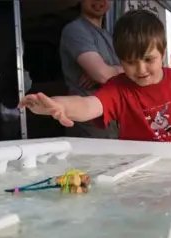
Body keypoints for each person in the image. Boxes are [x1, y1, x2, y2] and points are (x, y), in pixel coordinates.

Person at [19, 10, 171, 154]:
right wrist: (58, 105)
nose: (141, 69)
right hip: (135, 168)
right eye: (130, 62)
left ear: (162, 53)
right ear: (119, 60)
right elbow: (88, 105)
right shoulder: (119, 88)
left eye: (148, 59)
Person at [59, 0, 123, 139]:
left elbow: (133, 72)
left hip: (112, 118)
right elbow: (102, 75)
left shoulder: (109, 36)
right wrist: (110, 72)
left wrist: (112, 70)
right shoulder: (76, 30)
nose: (99, 2)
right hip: (89, 121)